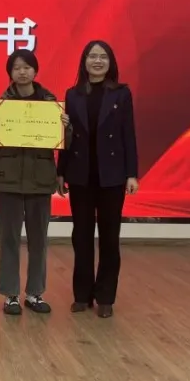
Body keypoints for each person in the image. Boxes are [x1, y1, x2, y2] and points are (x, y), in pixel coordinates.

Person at [0, 50, 71, 316]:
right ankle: (10, 295)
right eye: (17, 68)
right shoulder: (3, 105)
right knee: (9, 239)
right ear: (10, 72)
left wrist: (65, 127)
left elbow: (66, 142)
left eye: (27, 67)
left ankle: (35, 293)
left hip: (40, 180)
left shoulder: (50, 104)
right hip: (8, 181)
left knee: (38, 240)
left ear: (35, 71)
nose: (22, 72)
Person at [57, 40, 139, 318]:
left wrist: (131, 173)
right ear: (84, 62)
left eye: (103, 56)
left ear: (110, 62)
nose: (97, 61)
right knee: (81, 236)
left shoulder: (121, 94)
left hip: (112, 176)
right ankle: (82, 295)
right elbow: (66, 137)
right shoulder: (73, 94)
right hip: (80, 175)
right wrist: (60, 171)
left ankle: (105, 297)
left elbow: (128, 134)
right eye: (92, 56)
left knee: (109, 238)